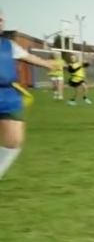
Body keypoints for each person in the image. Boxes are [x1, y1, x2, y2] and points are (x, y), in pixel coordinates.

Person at [0, 12, 56, 181]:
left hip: (8, 95)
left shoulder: (9, 45)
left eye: (1, 20)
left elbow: (27, 56)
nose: (0, 23)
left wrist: (47, 64)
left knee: (14, 141)